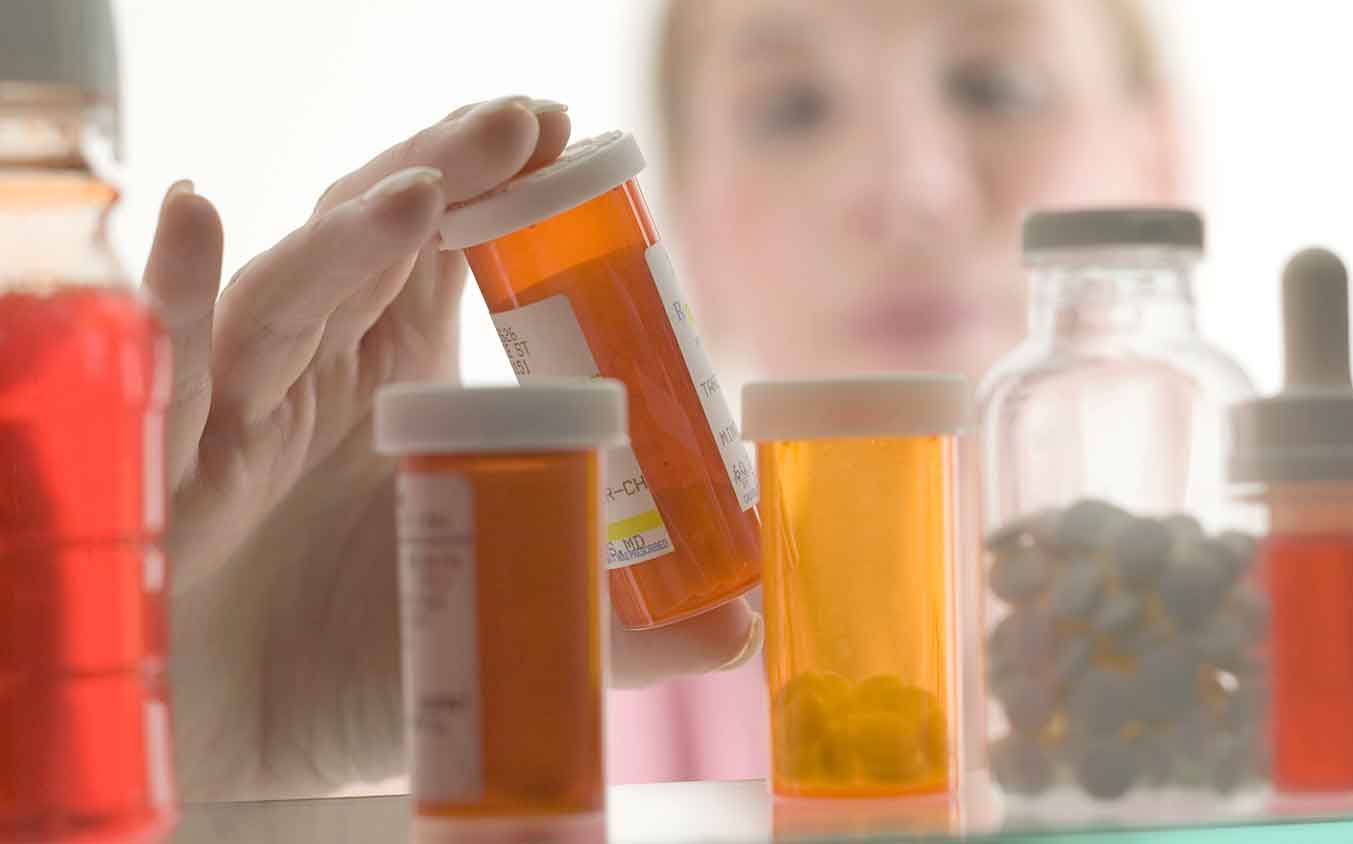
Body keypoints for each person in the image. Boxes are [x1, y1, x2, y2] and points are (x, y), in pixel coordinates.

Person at [606, 0, 1184, 784]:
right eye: (791, 109)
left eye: (997, 86)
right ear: (682, 225)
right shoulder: (548, 732)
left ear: (1161, 164)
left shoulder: (1292, 669)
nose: (910, 191)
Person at [151, 98, 761, 801]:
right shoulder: (534, 720)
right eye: (794, 110)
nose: (912, 184)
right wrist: (202, 784)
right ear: (688, 195)